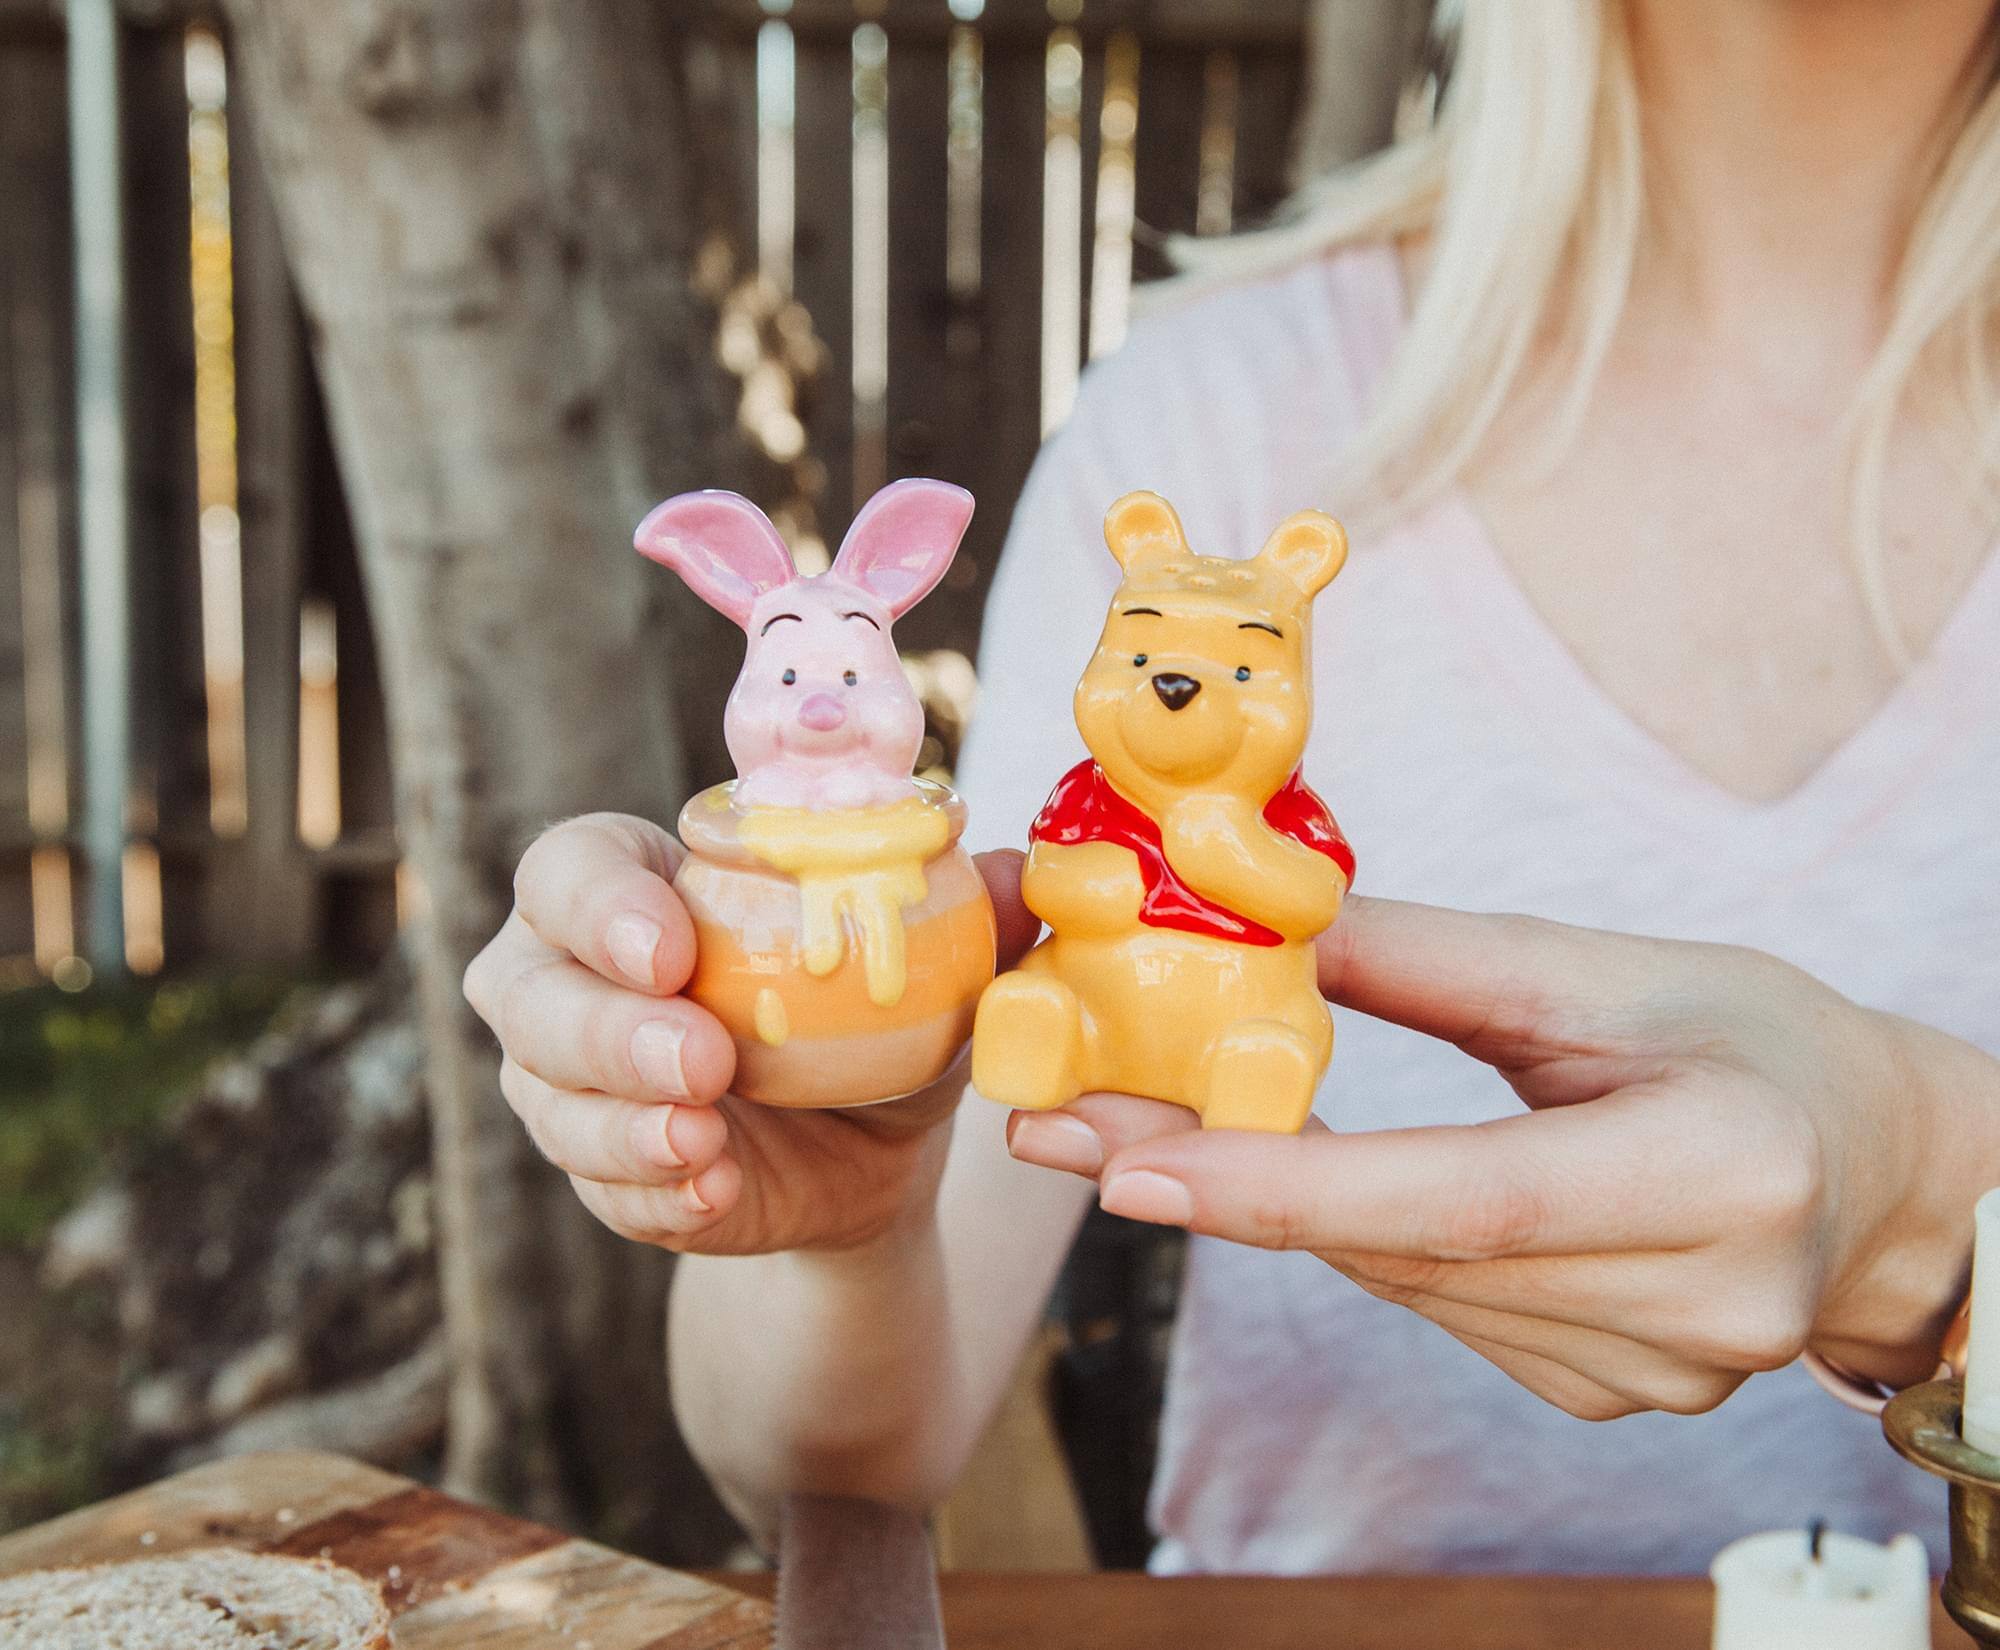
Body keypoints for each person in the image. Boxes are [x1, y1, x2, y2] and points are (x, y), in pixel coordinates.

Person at [462, 0, 2000, 1574]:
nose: (1185, 688)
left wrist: (1936, 1213)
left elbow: (1302, 891)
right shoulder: (1218, 414)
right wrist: (843, 1225)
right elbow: (847, 1460)